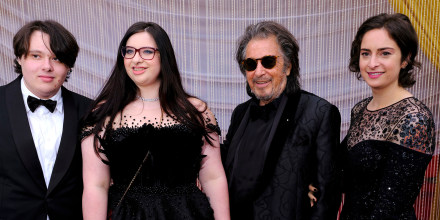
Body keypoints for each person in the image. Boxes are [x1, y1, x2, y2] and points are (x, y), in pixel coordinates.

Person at [80, 22, 230, 220]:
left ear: (164, 56)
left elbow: (213, 178)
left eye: (147, 52)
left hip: (189, 214)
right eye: (130, 51)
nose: (136, 59)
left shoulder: (196, 110)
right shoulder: (103, 113)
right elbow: (95, 186)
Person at [309, 13, 436, 219]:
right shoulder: (361, 110)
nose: (372, 63)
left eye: (384, 53)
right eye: (366, 53)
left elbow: (390, 207)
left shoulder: (414, 118)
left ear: (406, 58)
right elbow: (339, 172)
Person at [221, 21, 342, 219]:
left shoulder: (318, 112)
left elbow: (326, 198)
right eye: (251, 64)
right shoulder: (240, 113)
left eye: (268, 61)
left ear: (288, 66)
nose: (259, 72)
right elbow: (223, 168)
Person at [0, 20, 91, 219]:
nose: (47, 66)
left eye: (57, 58)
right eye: (36, 56)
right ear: (19, 58)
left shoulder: (91, 111)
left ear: (69, 65)